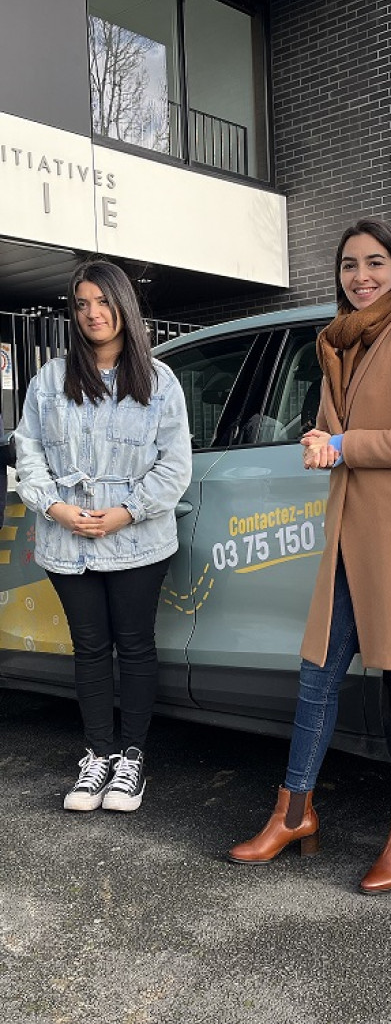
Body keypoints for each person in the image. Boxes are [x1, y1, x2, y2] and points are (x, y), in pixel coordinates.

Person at [228, 219, 391, 893]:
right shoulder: (337, 339)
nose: (360, 275)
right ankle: (295, 813)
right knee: (317, 679)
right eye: (348, 265)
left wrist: (342, 446)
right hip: (346, 538)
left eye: (374, 262)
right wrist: (320, 437)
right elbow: (341, 430)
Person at [14, 260, 192, 813]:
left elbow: (174, 466)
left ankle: (131, 760)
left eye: (103, 302)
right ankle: (98, 755)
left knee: (135, 646)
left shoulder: (159, 381)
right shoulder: (50, 378)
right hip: (67, 540)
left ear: (124, 307)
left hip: (137, 539)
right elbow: (29, 453)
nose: (93, 313)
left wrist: (126, 512)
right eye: (82, 303)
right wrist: (57, 508)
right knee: (90, 648)